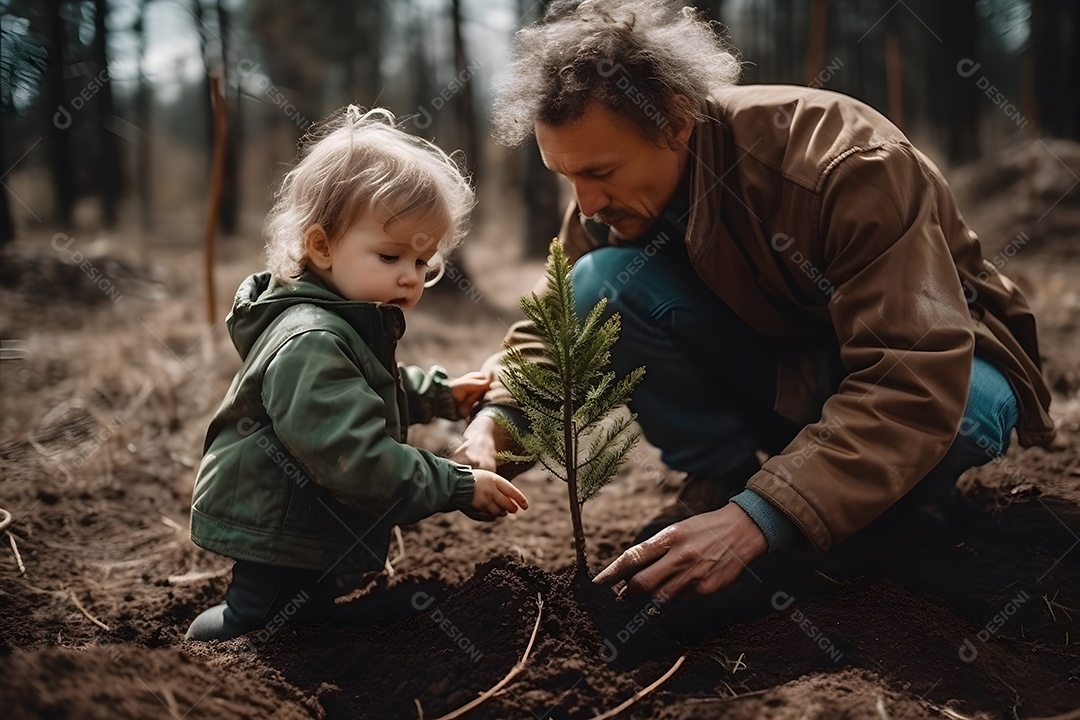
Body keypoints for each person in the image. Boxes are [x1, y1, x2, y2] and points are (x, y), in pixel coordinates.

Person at [450, 0, 1054, 605]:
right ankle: (724, 481)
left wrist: (761, 518)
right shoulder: (610, 199)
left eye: (600, 172)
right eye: (568, 177)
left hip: (943, 374)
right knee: (598, 281)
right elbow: (554, 325)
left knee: (963, 416)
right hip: (789, 376)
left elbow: (913, 374)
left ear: (676, 121)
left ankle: (842, 521)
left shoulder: (846, 165)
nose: (585, 203)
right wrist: (498, 424)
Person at [185, 107, 528, 641]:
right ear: (322, 246)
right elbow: (356, 459)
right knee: (266, 616)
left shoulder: (340, 323)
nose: (410, 278)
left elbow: (364, 389)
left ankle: (313, 619)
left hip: (303, 519)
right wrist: (456, 485)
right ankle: (225, 638)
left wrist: (437, 395)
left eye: (421, 263)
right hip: (279, 525)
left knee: (306, 606)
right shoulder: (312, 340)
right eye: (390, 257)